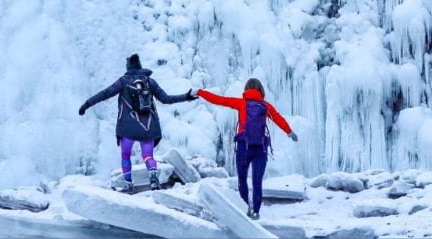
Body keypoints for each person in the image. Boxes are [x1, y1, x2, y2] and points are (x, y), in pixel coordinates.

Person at [79, 54, 198, 192]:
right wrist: (187, 96)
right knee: (148, 156)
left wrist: (86, 105)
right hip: (148, 127)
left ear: (128, 67)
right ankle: (153, 177)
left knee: (125, 155)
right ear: (140, 66)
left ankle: (128, 184)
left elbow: (105, 94)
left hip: (127, 128)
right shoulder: (149, 82)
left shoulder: (123, 81)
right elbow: (166, 99)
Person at [196, 78, 298, 220]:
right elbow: (278, 118)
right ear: (260, 90)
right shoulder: (266, 106)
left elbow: (218, 100)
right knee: (257, 182)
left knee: (242, 180)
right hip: (260, 147)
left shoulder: (241, 103)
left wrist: (200, 92)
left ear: (246, 89)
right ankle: (256, 212)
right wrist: (289, 132)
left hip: (244, 146)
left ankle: (246, 208)